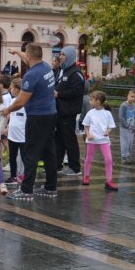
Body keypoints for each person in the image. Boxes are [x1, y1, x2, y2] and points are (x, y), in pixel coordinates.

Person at [3, 44, 58, 201]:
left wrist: (8, 110)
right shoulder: (46, 67)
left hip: (37, 117)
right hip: (51, 114)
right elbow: (28, 58)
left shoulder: (31, 75)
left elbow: (20, 101)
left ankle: (26, 190)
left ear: (29, 56)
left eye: (25, 54)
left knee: (31, 153)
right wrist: (17, 52)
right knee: (49, 152)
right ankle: (51, 187)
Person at [55, 46, 85, 177]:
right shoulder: (62, 71)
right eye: (60, 54)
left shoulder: (75, 73)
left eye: (63, 55)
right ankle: (57, 165)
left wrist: (59, 94)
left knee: (69, 139)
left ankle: (75, 167)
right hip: (60, 111)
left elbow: (76, 91)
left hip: (69, 112)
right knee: (59, 139)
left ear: (70, 57)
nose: (60, 56)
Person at [81, 91, 118, 191]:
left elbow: (110, 126)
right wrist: (88, 134)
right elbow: (86, 125)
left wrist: (108, 132)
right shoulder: (90, 112)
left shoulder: (107, 113)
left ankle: (109, 181)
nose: (90, 101)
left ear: (98, 101)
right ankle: (86, 177)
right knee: (88, 159)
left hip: (103, 140)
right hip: (92, 140)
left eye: (91, 99)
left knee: (109, 160)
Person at [6, 78, 26, 184]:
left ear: (18, 89)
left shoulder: (25, 102)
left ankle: (26, 176)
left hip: (23, 135)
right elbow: (11, 116)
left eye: (12, 88)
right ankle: (13, 176)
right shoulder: (13, 101)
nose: (10, 89)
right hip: (12, 134)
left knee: (24, 157)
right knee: (12, 156)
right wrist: (7, 128)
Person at [118, 89, 135, 164]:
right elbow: (121, 117)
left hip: (131, 128)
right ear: (128, 96)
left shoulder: (134, 106)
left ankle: (128, 156)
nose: (133, 98)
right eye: (132, 96)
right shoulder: (123, 105)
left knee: (130, 142)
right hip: (124, 128)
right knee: (124, 143)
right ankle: (124, 157)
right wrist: (127, 125)